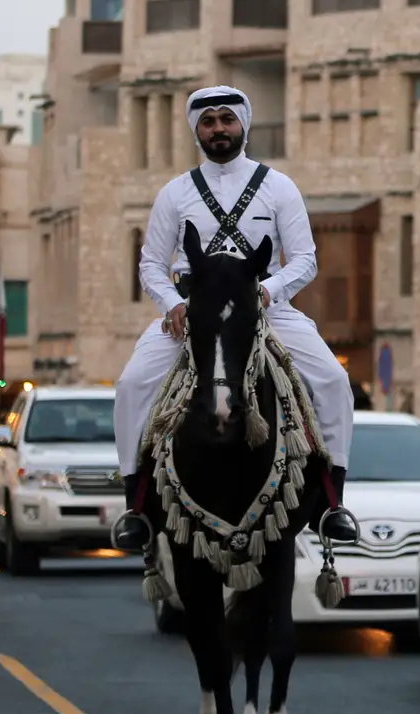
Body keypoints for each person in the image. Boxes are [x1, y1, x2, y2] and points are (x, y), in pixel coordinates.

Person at [109, 86, 358, 551]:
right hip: (194, 314)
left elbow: (304, 258)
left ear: (243, 125)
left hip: (267, 308)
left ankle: (332, 503)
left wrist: (268, 291)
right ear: (196, 130)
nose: (218, 128)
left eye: (227, 119)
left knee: (331, 379)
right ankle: (136, 506)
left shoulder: (279, 187)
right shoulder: (174, 193)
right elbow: (150, 265)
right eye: (208, 121)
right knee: (131, 386)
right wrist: (172, 305)